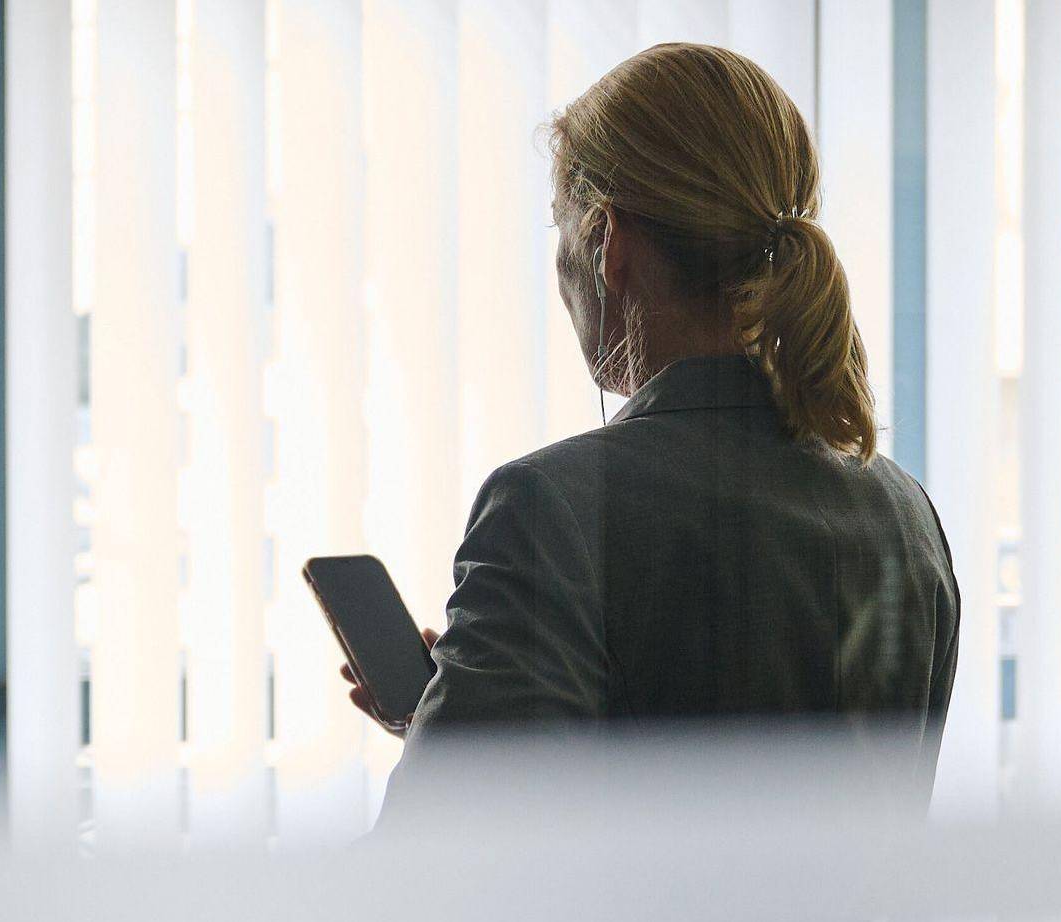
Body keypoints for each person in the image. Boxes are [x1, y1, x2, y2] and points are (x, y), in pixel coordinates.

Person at [341, 42, 959, 826]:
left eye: (561, 226)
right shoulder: (905, 514)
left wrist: (447, 746)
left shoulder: (551, 509)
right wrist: (469, 706)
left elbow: (435, 859)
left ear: (609, 241)